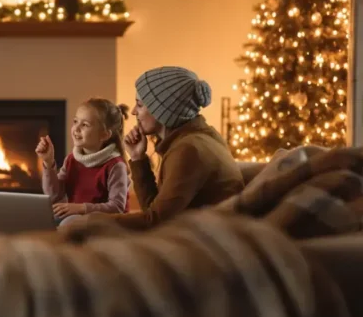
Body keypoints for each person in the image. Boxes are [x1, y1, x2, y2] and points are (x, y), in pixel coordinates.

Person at [90, 66, 244, 230]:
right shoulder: (197, 138)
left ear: (162, 111)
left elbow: (155, 222)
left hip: (210, 247)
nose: (134, 112)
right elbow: (154, 211)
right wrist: (138, 158)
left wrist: (93, 221)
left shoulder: (189, 150)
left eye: (140, 105)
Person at [36, 98, 131, 227]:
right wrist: (48, 162)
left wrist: (81, 208)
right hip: (77, 217)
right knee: (40, 219)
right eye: (75, 122)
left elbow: (117, 207)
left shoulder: (115, 165)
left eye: (85, 125)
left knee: (68, 224)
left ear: (104, 135)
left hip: (108, 224)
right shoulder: (71, 159)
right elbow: (54, 196)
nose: (76, 128)